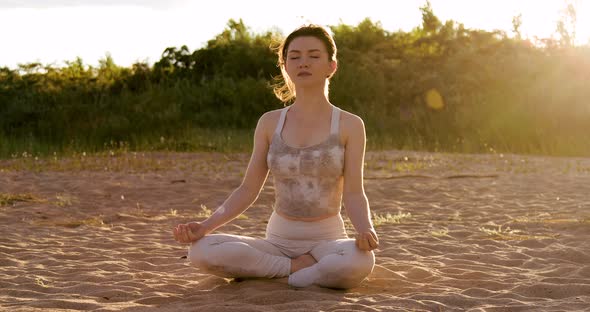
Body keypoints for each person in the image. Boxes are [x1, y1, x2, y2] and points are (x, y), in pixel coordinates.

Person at [173, 24, 379, 289]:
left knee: (360, 261)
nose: (303, 62)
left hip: (327, 240)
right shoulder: (270, 123)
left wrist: (365, 230)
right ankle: (295, 269)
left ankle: (292, 274)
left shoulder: (350, 125)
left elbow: (354, 193)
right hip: (277, 242)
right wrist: (205, 226)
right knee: (201, 250)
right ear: (285, 66)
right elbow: (248, 189)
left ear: (332, 66)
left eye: (314, 56)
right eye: (294, 57)